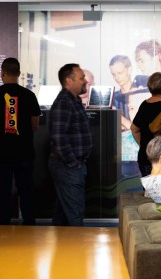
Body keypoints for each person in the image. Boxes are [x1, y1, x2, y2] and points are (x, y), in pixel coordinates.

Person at [0, 58, 41, 225]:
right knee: (26, 192)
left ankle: (3, 227)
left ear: (2, 73)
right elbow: (35, 125)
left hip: (0, 153)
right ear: (19, 73)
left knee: (3, 193)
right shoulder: (29, 96)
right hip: (24, 153)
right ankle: (29, 225)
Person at [49, 63, 94, 226]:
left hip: (71, 166)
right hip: (68, 167)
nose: (85, 81)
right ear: (69, 81)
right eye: (81, 78)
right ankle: (77, 250)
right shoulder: (64, 102)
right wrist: (73, 163)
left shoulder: (73, 100)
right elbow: (58, 137)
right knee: (75, 213)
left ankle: (61, 249)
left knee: (62, 213)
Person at [131, 72, 161, 177]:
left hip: (145, 157)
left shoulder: (144, 105)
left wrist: (143, 146)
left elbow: (134, 129)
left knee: (149, 191)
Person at [109, 55, 147, 130]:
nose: (117, 77)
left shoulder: (142, 94)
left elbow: (141, 130)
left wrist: (118, 117)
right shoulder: (112, 99)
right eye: (113, 74)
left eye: (120, 73)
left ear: (129, 70)